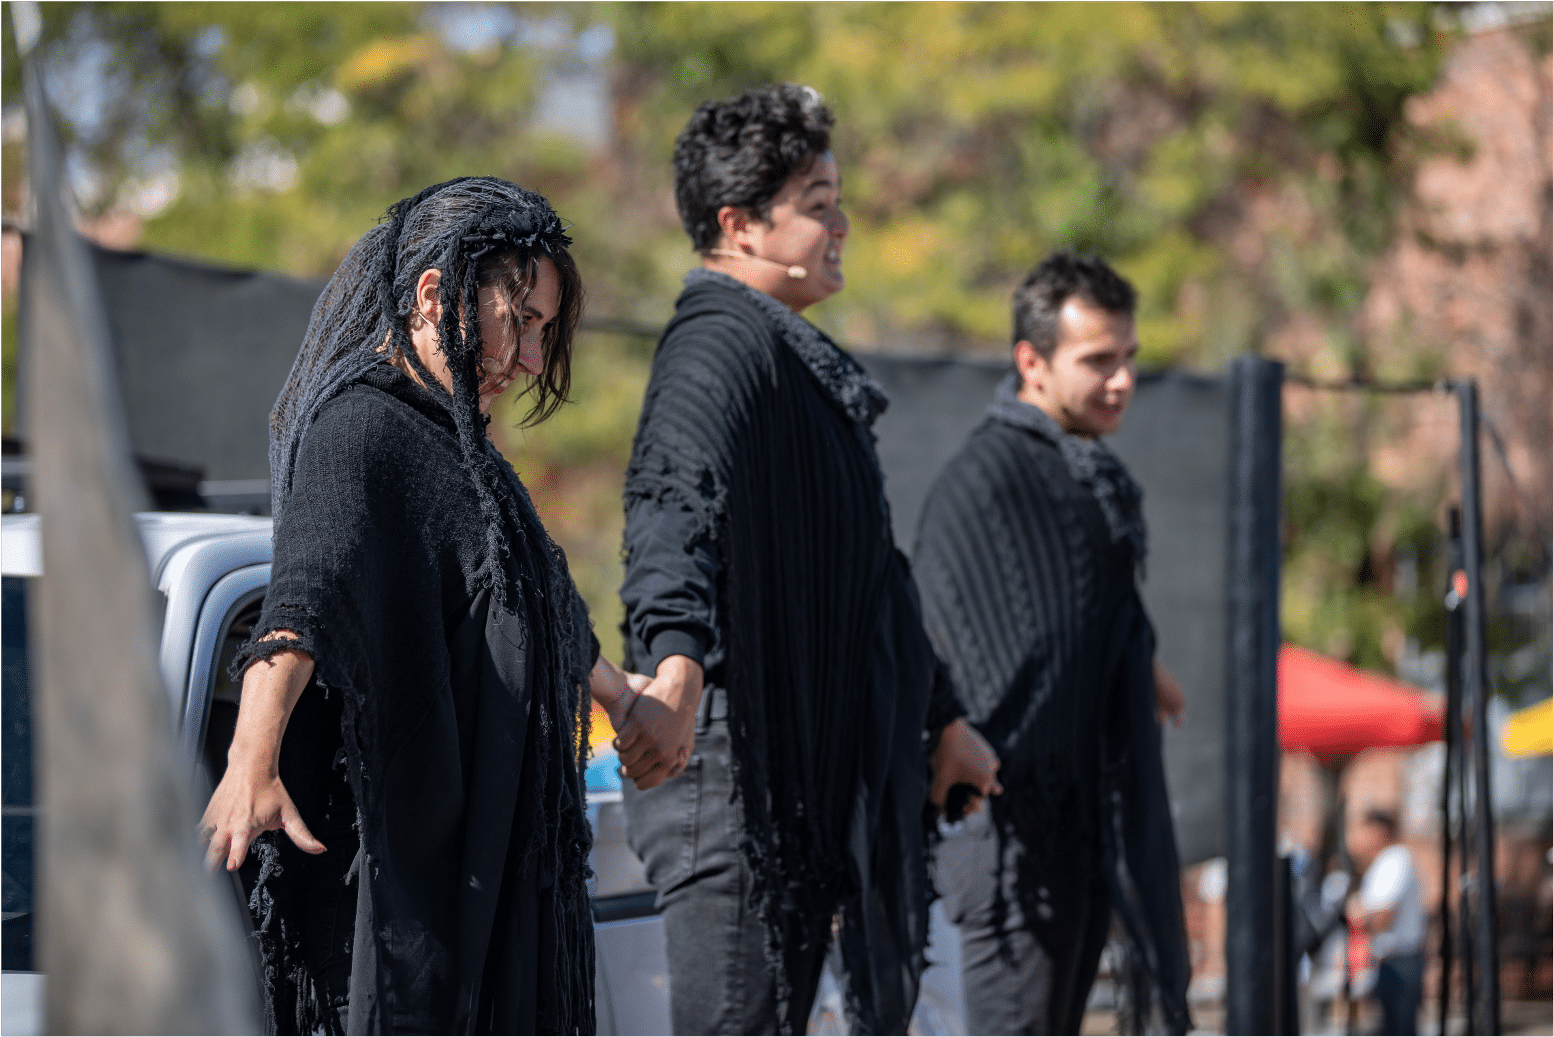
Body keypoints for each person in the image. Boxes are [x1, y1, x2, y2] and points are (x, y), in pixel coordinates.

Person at [198, 177, 643, 1035]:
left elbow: (543, 604)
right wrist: (251, 760)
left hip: (478, 898)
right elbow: (303, 600)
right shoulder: (359, 429)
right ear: (435, 295)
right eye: (520, 321)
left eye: (544, 330)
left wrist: (626, 701)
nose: (529, 359)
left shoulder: (463, 454)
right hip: (396, 912)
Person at [613, 83, 1001, 1036]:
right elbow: (670, 502)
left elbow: (874, 574)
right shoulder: (717, 345)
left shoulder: (788, 357)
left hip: (781, 783)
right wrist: (673, 661)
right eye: (820, 206)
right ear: (740, 225)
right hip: (727, 776)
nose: (844, 225)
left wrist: (943, 717)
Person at [912, 251, 1192, 1035]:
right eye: (1099, 360)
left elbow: (1081, 616)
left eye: (1129, 357)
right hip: (1006, 842)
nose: (1123, 379)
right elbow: (945, 635)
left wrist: (1141, 665)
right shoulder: (988, 479)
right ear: (1031, 361)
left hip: (1078, 830)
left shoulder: (1088, 477)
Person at [1347, 808, 1426, 1035]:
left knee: (1399, 1029)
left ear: (1380, 831)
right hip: (1390, 960)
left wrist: (1358, 917)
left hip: (1400, 961)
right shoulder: (1384, 862)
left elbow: (1384, 917)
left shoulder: (1395, 860)